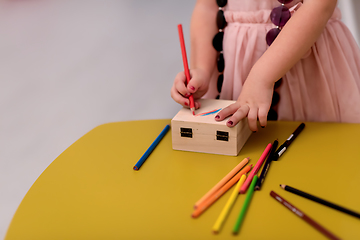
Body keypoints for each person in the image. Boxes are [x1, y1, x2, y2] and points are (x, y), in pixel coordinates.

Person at [170, 0, 360, 132]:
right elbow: (207, 7)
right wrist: (201, 68)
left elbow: (321, 4)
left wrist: (262, 77)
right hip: (233, 71)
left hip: (306, 69)